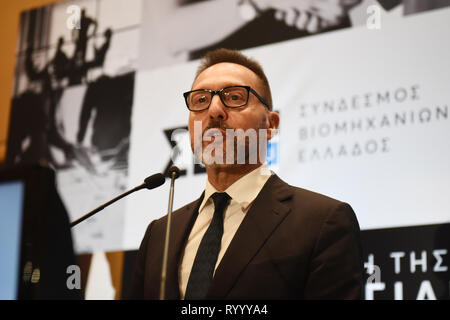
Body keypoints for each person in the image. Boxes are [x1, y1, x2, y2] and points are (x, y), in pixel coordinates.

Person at [129, 48, 363, 299]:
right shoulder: (159, 234)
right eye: (200, 101)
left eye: (234, 97)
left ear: (270, 125)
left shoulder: (323, 222)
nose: (214, 110)